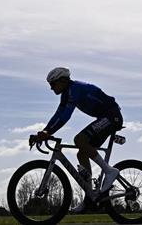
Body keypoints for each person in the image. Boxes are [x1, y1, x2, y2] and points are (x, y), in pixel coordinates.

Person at [34, 67, 122, 213]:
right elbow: (58, 114)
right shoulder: (67, 93)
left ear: (63, 80)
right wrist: (45, 131)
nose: (51, 88)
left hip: (112, 116)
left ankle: (109, 171)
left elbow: (65, 116)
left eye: (53, 84)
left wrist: (48, 132)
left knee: (79, 140)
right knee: (81, 153)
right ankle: (89, 198)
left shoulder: (74, 90)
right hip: (105, 117)